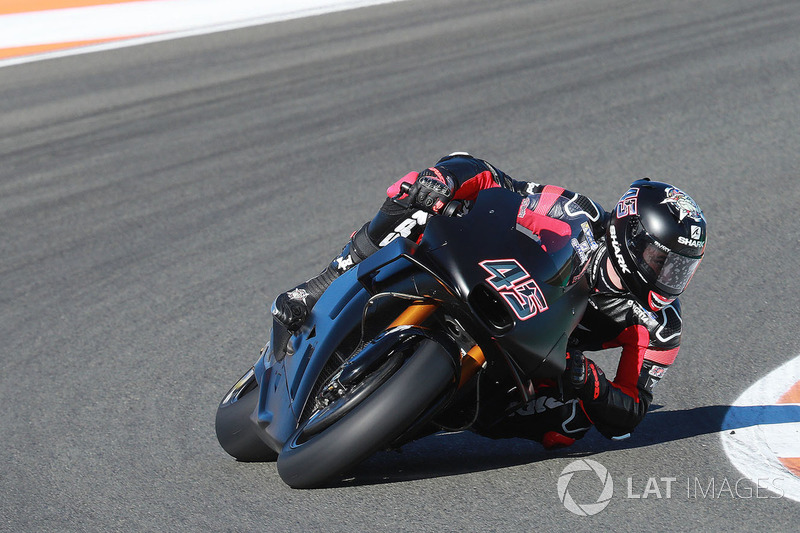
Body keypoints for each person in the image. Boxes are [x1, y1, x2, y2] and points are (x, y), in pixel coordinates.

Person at [272, 152, 707, 449]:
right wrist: (446, 182)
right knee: (413, 189)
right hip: (501, 283)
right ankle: (322, 282)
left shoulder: (660, 326)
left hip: (549, 355)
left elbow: (630, 414)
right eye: (662, 259)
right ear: (630, 234)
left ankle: (409, 419)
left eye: (680, 268)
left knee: (567, 428)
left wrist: (588, 381)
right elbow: (501, 184)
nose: (668, 277)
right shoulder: (575, 213)